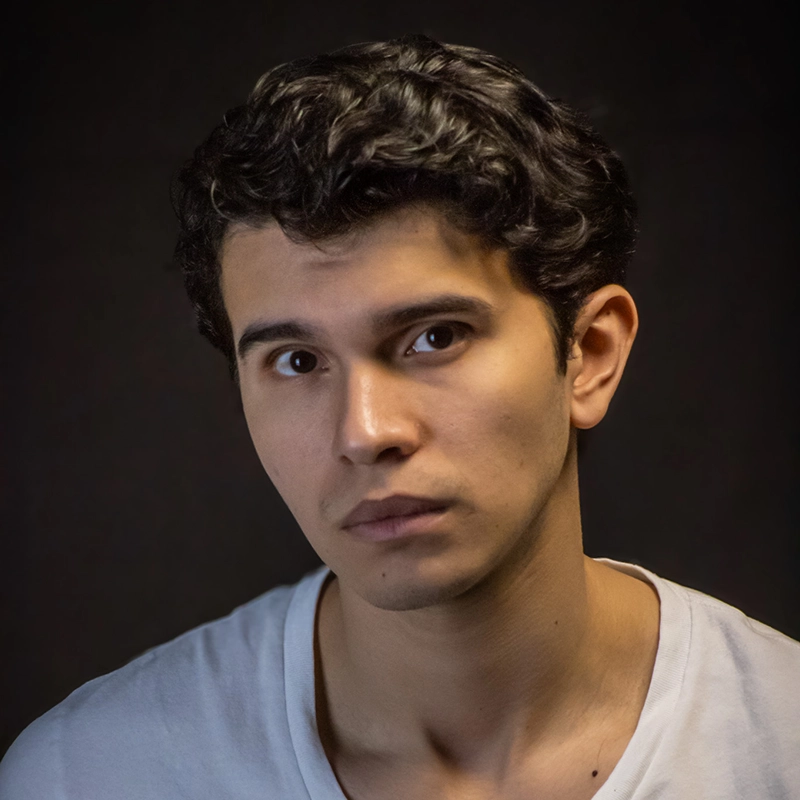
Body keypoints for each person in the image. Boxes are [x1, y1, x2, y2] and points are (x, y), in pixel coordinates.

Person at [1, 34, 797, 800]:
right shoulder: (88, 775)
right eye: (297, 361)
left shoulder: (779, 746)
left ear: (588, 354)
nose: (366, 431)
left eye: (433, 338)